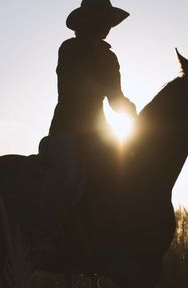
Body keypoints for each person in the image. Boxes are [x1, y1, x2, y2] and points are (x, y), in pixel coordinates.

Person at [34, 0, 137, 253]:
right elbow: (74, 86)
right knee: (67, 174)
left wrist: (131, 109)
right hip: (66, 128)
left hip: (99, 131)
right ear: (88, 21)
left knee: (126, 173)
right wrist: (110, 93)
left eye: (108, 22)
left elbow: (116, 98)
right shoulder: (69, 48)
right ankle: (43, 235)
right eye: (103, 21)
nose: (107, 27)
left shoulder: (110, 57)